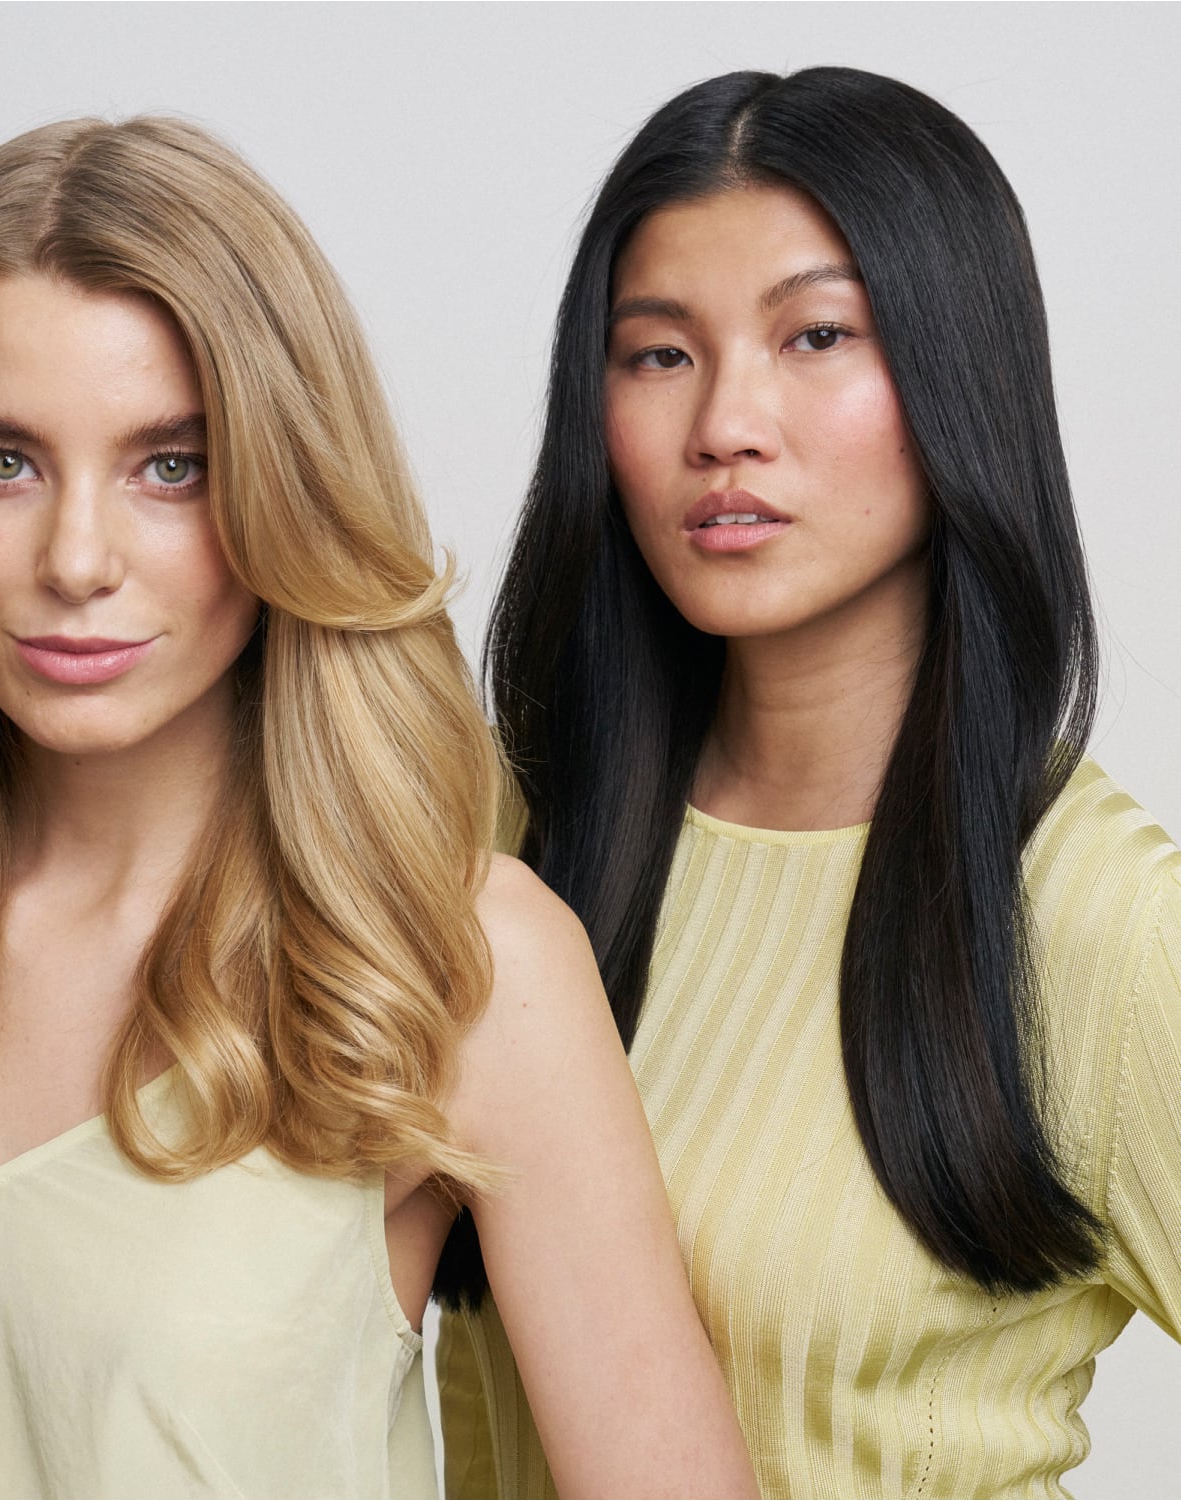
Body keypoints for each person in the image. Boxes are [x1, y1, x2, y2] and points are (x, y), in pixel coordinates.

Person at [0, 117, 755, 1499]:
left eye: (171, 465)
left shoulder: (456, 960)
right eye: (1, 461)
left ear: (287, 481)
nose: (76, 559)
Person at [437, 66, 1181, 1500]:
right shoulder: (497, 844)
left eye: (816, 335)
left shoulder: (1097, 922)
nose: (726, 421)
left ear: (960, 371)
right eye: (658, 353)